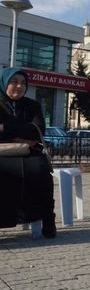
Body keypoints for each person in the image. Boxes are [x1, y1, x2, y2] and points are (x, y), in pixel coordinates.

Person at [0, 68, 56, 238]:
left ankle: (47, 218)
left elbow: (37, 130)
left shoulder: (32, 105)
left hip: (29, 154)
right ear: (4, 83)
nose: (19, 86)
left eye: (23, 83)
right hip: (1, 154)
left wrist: (5, 128)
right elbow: (29, 131)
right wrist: (21, 134)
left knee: (41, 172)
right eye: (14, 82)